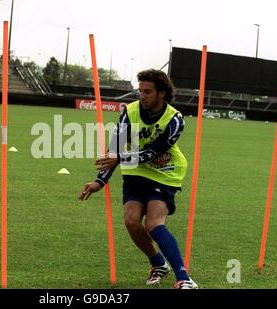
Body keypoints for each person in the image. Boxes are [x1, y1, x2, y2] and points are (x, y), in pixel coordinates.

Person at [79, 69, 198, 289]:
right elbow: (115, 148)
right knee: (131, 221)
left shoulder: (175, 119)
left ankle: (184, 279)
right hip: (134, 168)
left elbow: (154, 151)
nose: (141, 95)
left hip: (165, 170)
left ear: (161, 93)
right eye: (140, 91)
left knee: (153, 223)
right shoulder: (129, 112)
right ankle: (158, 263)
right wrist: (100, 181)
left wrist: (120, 158)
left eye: (148, 91)